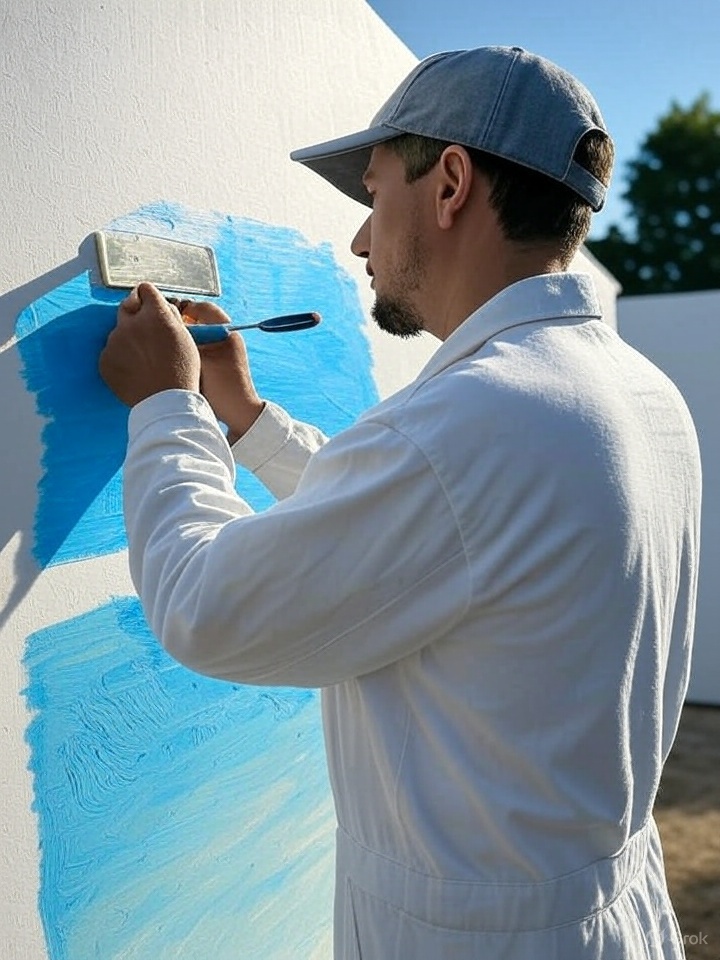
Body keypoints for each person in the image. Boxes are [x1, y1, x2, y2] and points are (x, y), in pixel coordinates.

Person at [99, 46, 701, 960]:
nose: (359, 240)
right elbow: (432, 534)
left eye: (374, 196)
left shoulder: (475, 420)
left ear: (450, 182)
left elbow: (203, 607)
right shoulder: (635, 393)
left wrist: (166, 406)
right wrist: (248, 421)